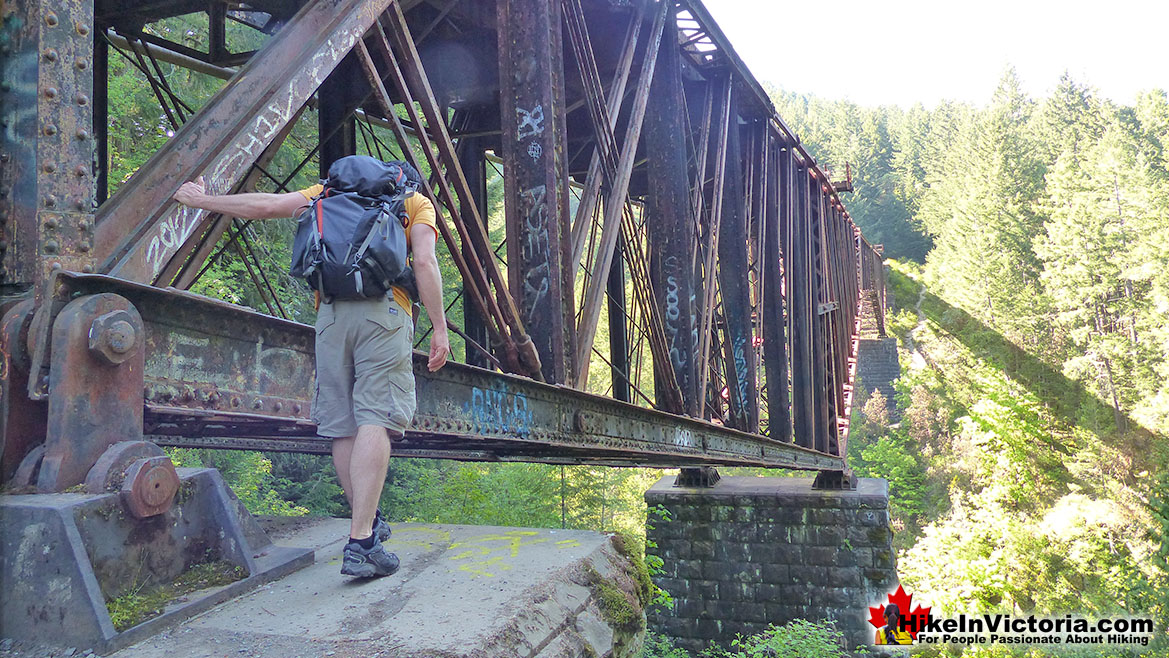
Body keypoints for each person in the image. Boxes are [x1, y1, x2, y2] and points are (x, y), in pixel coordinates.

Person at [173, 173, 449, 578]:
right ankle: (360, 544)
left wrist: (202, 201)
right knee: (378, 416)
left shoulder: (326, 194)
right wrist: (439, 328)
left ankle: (366, 525)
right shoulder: (414, 203)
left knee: (342, 424)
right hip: (386, 314)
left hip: (331, 316)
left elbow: (265, 206)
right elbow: (423, 261)